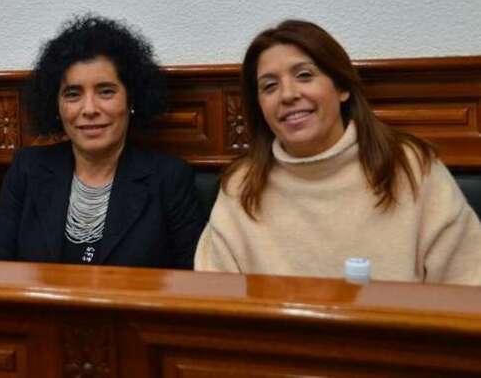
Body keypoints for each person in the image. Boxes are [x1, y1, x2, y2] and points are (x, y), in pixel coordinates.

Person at [194, 20, 481, 284]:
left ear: (342, 87)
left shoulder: (413, 167)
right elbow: (214, 299)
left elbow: (469, 287)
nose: (288, 94)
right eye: (269, 86)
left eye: (304, 75)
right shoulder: (241, 186)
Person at [0, 15, 206, 268]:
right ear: (56, 106)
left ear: (131, 99)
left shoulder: (169, 178)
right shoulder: (27, 169)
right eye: (73, 94)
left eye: (106, 92)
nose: (89, 109)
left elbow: (192, 279)